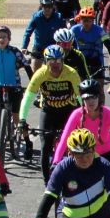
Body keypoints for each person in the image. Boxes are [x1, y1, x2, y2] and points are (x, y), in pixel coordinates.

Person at [20, 45, 82, 183]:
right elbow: (28, 97)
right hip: (48, 111)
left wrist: (84, 116)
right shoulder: (40, 74)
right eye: (51, 61)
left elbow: (80, 98)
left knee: (74, 144)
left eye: (58, 61)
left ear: (63, 60)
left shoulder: (71, 73)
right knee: (45, 146)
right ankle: (47, 182)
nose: (55, 64)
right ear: (45, 61)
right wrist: (22, 119)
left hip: (68, 111)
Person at [52, 77, 110, 169]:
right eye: (86, 98)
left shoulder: (109, 114)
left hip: (108, 155)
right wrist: (56, 161)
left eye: (93, 97)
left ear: (99, 97)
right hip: (84, 156)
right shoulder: (76, 114)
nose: (90, 101)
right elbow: (64, 139)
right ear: (82, 99)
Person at [20, 0, 65, 70]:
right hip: (39, 48)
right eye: (45, 6)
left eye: (50, 6)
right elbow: (28, 32)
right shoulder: (36, 17)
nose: (47, 8)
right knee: (35, 70)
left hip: (54, 49)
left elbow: (64, 34)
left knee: (55, 71)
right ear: (41, 6)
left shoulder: (58, 17)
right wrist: (24, 47)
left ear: (53, 6)